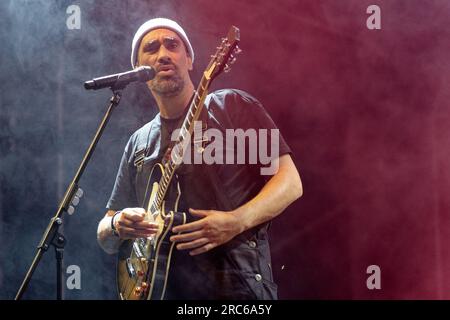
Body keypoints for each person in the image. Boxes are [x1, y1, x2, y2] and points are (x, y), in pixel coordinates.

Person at [97, 17, 302, 300]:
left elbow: (290, 182)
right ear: (138, 68)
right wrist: (118, 221)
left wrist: (237, 221)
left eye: (173, 45)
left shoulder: (231, 107)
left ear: (190, 59)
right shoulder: (139, 142)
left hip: (236, 288)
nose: (163, 54)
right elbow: (105, 232)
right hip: (163, 290)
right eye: (151, 48)